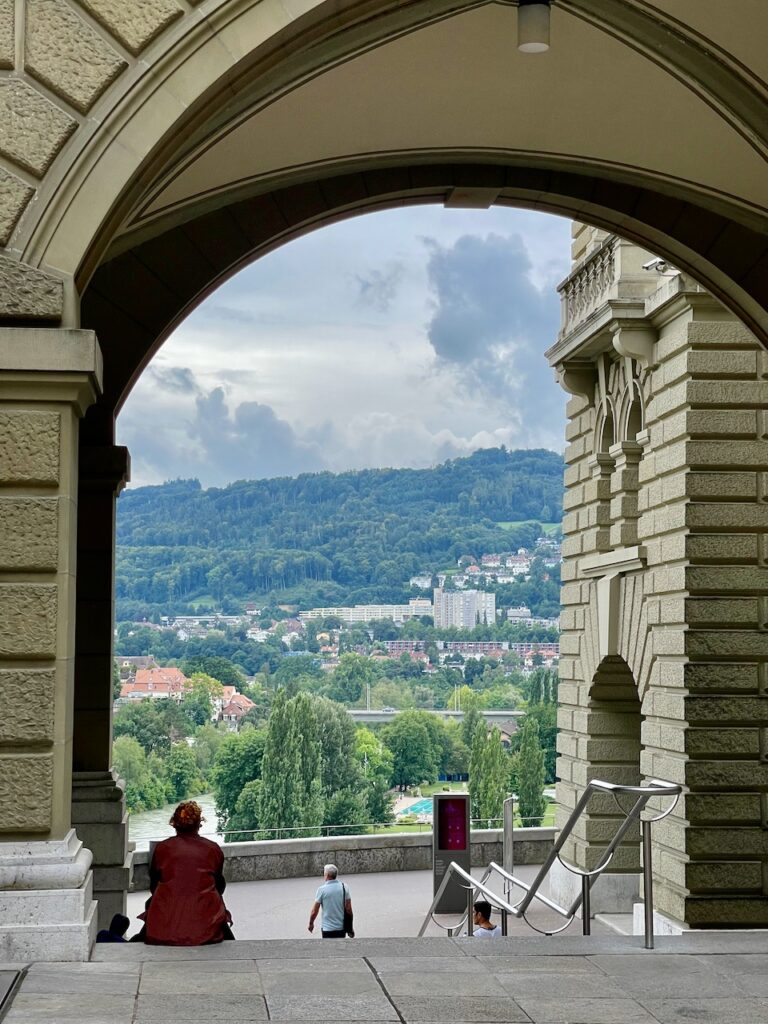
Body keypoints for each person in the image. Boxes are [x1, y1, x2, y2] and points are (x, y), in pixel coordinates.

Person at [137, 801, 234, 946]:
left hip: (164, 927)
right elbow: (219, 886)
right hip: (204, 929)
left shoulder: (163, 849)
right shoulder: (212, 849)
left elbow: (154, 885)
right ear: (198, 824)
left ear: (174, 824)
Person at [308, 863, 353, 938]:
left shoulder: (321, 890)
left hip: (327, 929)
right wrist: (350, 927)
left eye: (324, 873)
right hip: (341, 928)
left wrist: (311, 923)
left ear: (327, 875)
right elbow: (349, 909)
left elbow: (314, 911)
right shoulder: (344, 887)